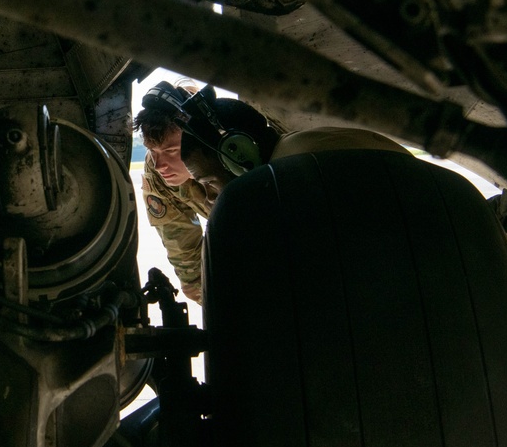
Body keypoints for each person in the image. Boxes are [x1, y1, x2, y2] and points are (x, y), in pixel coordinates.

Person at [136, 81, 410, 303]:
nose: (209, 199)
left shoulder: (294, 185)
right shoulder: (285, 157)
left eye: (209, 184)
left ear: (237, 155)